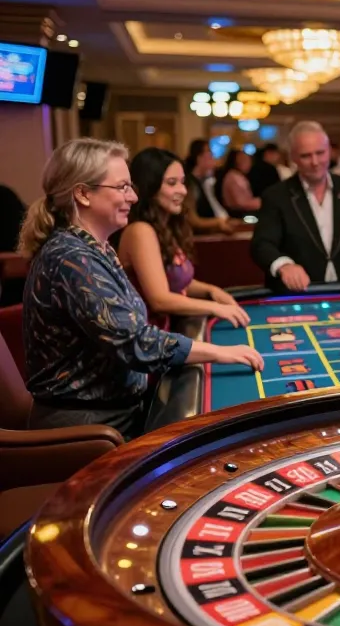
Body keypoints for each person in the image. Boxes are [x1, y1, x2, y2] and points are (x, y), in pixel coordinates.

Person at [17, 138, 263, 440]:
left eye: (131, 186)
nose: (133, 197)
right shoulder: (72, 258)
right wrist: (219, 352)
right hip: (89, 429)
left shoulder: (93, 248)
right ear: (82, 193)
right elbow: (136, 343)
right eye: (121, 187)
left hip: (112, 411)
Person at [118, 148, 250, 330]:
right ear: (150, 187)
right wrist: (216, 308)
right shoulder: (140, 231)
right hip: (146, 340)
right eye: (171, 183)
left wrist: (211, 290)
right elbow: (160, 300)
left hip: (166, 330)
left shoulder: (166, 227)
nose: (182, 190)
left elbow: (176, 280)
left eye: (182, 182)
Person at [251, 121, 340, 293]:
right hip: (297, 294)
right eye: (306, 156)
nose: (315, 162)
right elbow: (262, 244)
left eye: (320, 153)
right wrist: (284, 265)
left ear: (330, 151)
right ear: (293, 157)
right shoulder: (276, 196)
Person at [183, 139, 234, 234]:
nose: (213, 157)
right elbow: (193, 221)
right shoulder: (189, 184)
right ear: (199, 157)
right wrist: (218, 222)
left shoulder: (205, 182)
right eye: (210, 153)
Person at [214, 149, 260, 217]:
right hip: (239, 215)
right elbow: (240, 204)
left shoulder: (238, 176)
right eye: (244, 160)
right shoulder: (233, 178)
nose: (249, 163)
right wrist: (260, 203)